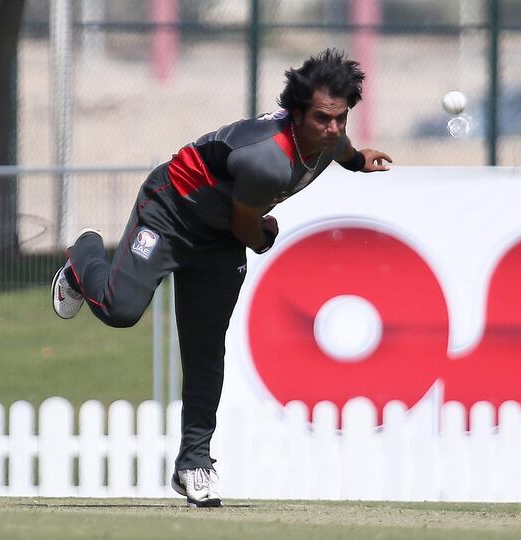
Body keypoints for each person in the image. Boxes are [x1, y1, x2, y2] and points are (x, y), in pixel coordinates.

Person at [50, 48, 391, 507]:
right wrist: (265, 236)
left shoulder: (329, 138)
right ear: (295, 114)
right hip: (171, 212)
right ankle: (84, 256)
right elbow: (246, 229)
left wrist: (356, 159)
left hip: (217, 239)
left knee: (206, 349)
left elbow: (338, 146)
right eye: (322, 118)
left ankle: (194, 463)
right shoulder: (267, 159)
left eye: (340, 117)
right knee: (119, 311)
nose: (332, 128)